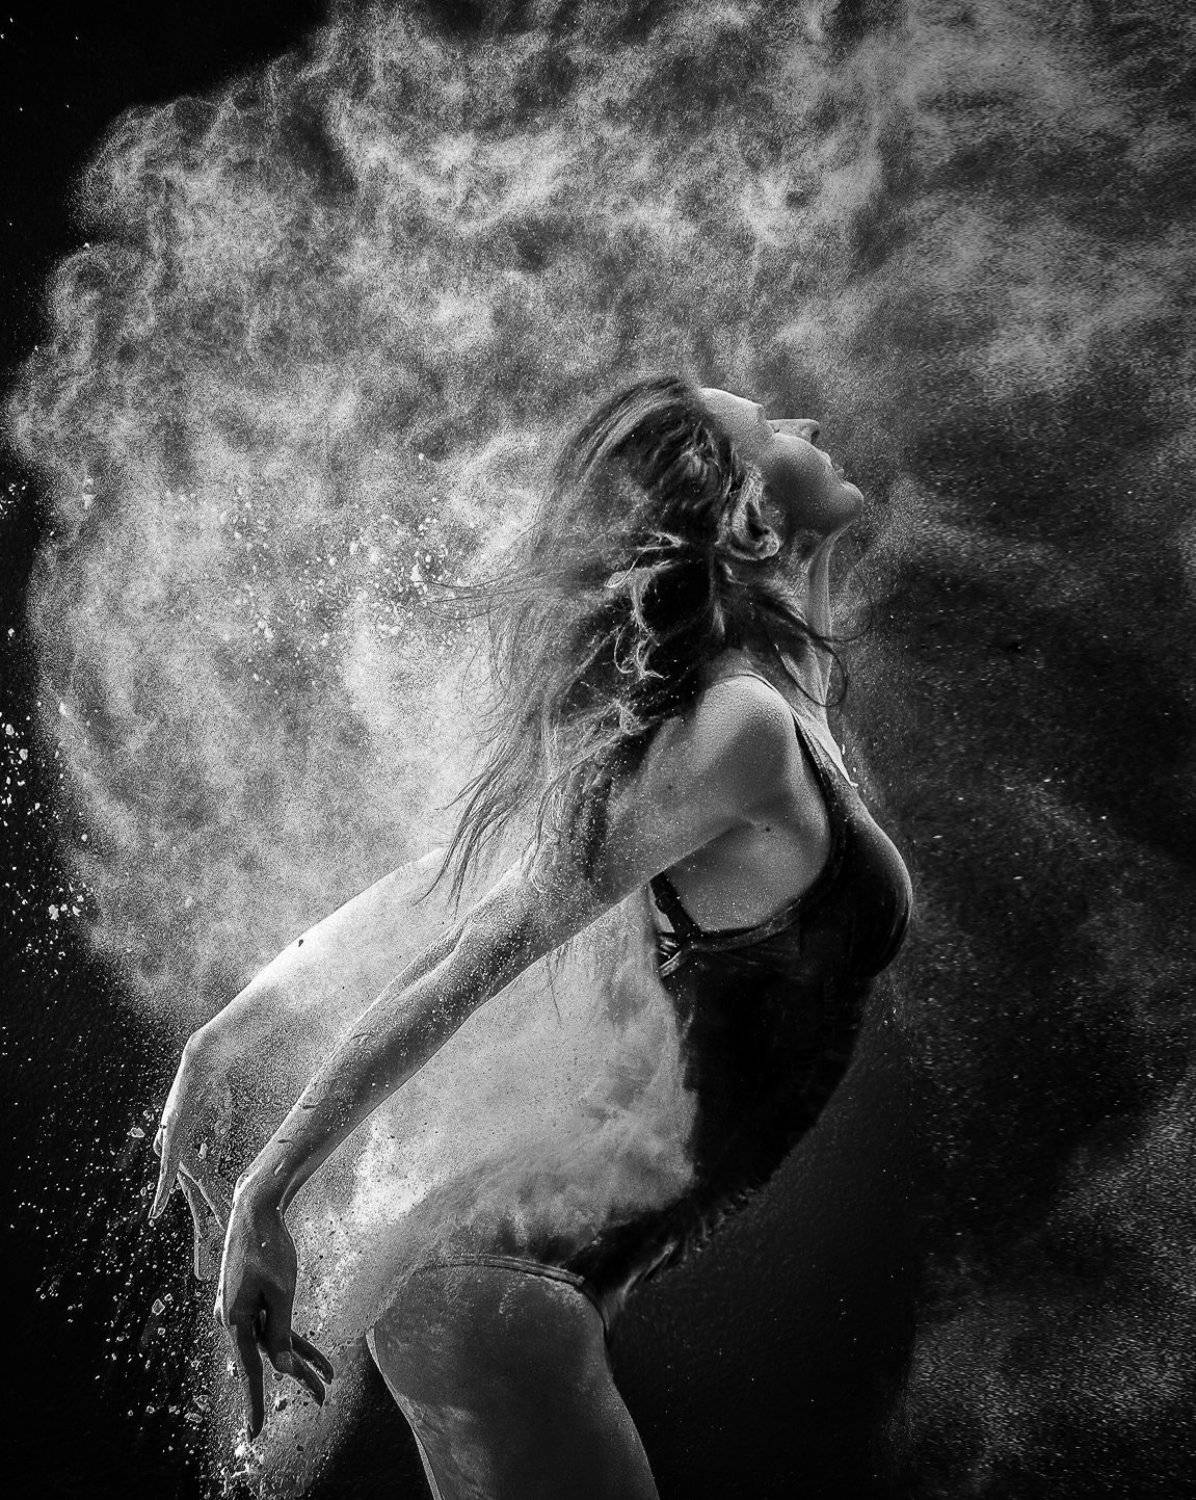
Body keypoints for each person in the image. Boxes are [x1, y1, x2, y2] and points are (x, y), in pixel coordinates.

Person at [150, 374, 914, 1499]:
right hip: (498, 1290)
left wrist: (227, 1036)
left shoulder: (766, 703)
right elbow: (477, 945)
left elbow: (447, 884)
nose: (807, 422)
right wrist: (269, 1190)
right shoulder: (738, 728)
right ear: (749, 520)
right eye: (770, 426)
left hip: (500, 1291)